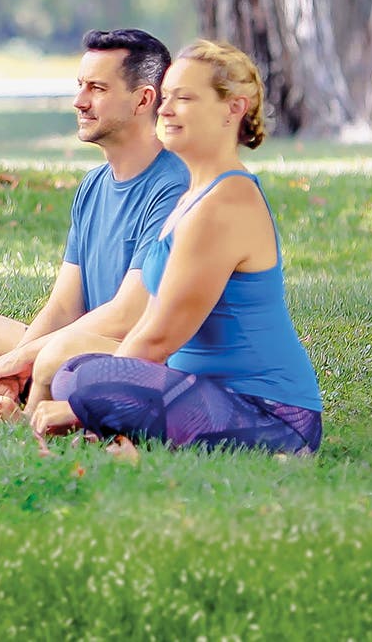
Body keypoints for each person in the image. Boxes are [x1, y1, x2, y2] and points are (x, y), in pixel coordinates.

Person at [33, 41, 324, 454]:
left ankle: (126, 436)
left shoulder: (227, 201)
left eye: (184, 98)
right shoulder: (193, 195)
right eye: (165, 96)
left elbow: (158, 339)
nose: (165, 110)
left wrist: (81, 406)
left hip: (269, 415)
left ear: (233, 109)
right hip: (202, 391)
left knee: (88, 381)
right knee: (77, 372)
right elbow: (148, 326)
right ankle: (123, 437)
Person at [0, 28, 189, 416]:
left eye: (97, 88)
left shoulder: (175, 185)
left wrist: (26, 358)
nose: (79, 101)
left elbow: (126, 316)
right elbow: (63, 307)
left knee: (66, 364)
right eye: (80, 86)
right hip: (79, 346)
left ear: (143, 99)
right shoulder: (94, 185)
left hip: (141, 359)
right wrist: (13, 366)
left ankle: (7, 405)